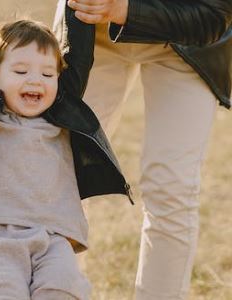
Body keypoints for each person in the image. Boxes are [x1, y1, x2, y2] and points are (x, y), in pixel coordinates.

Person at [0, 0, 132, 299]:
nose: (36, 80)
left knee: (64, 289)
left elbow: (79, 52)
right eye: (21, 71)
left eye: (48, 74)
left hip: (54, 239)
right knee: (3, 292)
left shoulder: (62, 110)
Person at [59, 0, 232, 299]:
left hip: (186, 39)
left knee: (171, 186)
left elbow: (215, 15)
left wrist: (124, 9)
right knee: (58, 170)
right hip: (93, 28)